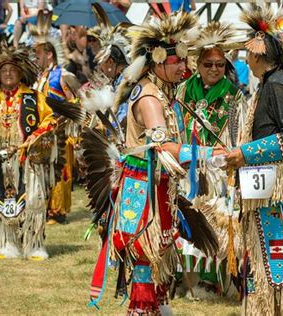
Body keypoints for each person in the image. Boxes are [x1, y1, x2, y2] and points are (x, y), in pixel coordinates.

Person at [85, 12, 223, 314]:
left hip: (157, 188)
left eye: (183, 61)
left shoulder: (160, 92)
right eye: (176, 62)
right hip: (143, 191)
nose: (183, 68)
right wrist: (210, 156)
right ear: (157, 61)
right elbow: (164, 147)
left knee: (157, 258)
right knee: (146, 258)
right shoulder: (149, 98)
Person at [224, 6, 283, 314]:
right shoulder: (270, 82)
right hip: (264, 186)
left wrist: (245, 153)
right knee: (262, 259)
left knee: (276, 264)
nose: (245, 58)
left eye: (247, 53)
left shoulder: (278, 83)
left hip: (277, 189)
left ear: (258, 51)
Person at [175, 21, 247, 296]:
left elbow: (237, 134)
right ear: (196, 64)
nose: (215, 69)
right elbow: (177, 130)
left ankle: (214, 281)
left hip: (218, 172)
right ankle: (187, 280)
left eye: (219, 63)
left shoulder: (233, 95)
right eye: (208, 64)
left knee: (216, 220)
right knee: (187, 221)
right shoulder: (183, 93)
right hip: (188, 170)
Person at [0, 43, 55, 260]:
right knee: (3, 199)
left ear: (21, 73)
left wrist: (36, 138)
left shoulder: (33, 97)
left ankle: (34, 245)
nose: (8, 74)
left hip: (27, 160)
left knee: (33, 199)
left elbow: (49, 120)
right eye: (4, 71)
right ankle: (8, 244)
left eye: (12, 70)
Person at [29, 11, 77, 225]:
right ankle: (47, 208)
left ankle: (58, 211)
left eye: (37, 53)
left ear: (49, 54)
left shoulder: (63, 75)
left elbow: (76, 102)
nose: (35, 57)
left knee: (61, 171)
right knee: (44, 170)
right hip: (43, 133)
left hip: (60, 131)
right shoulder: (39, 77)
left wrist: (66, 119)